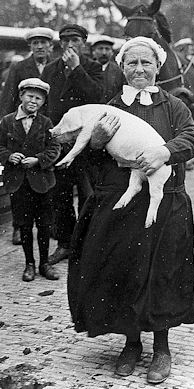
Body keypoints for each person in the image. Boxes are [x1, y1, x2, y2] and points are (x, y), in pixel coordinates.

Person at [67, 36, 194, 384]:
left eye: (146, 63)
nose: (139, 69)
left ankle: (161, 347)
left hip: (166, 204)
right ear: (122, 68)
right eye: (132, 63)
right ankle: (131, 343)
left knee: (162, 274)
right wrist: (96, 143)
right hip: (124, 206)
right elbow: (94, 162)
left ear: (158, 67)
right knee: (125, 271)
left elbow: (192, 139)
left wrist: (165, 152)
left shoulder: (174, 107)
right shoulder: (112, 106)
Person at [41, 24, 103, 265]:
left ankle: (87, 244)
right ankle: (65, 243)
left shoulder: (92, 67)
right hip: (60, 143)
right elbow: (46, 105)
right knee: (60, 196)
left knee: (88, 194)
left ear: (84, 43)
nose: (69, 44)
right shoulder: (50, 69)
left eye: (74, 40)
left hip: (86, 144)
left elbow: (97, 96)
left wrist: (76, 69)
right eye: (65, 40)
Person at [0, 78, 61, 282]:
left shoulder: (46, 123)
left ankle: (44, 263)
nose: (33, 101)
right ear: (21, 96)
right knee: (24, 225)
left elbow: (55, 148)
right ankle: (30, 264)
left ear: (43, 102)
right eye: (30, 96)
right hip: (18, 183)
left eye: (38, 98)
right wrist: (9, 155)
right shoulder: (7, 121)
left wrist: (39, 159)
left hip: (42, 182)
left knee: (44, 225)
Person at [0, 27, 54, 245]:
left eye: (43, 42)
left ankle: (47, 227)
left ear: (50, 45)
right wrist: (7, 126)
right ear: (30, 46)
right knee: (19, 183)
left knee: (45, 181)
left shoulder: (56, 66)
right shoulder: (19, 67)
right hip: (20, 131)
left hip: (45, 130)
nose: (39, 46)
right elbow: (8, 98)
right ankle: (17, 226)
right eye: (35, 43)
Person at [91, 35, 124, 103]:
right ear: (93, 52)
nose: (104, 53)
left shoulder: (119, 71)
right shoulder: (86, 69)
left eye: (107, 49)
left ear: (112, 52)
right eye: (100, 48)